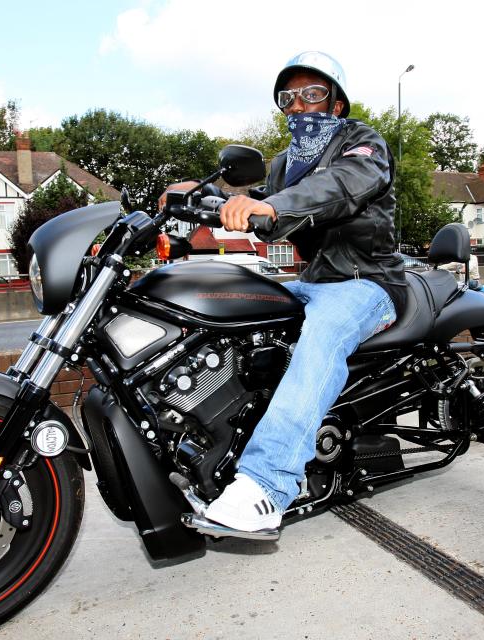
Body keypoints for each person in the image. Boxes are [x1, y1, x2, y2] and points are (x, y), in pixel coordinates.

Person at [160, 51, 406, 532]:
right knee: (227, 308)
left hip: (368, 283)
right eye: (287, 98)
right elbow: (258, 213)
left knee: (323, 333)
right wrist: (200, 197)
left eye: (312, 94)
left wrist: (270, 205)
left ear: (336, 104)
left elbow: (341, 186)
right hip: (315, 281)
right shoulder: (283, 167)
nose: (298, 106)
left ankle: (267, 484)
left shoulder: (363, 144)